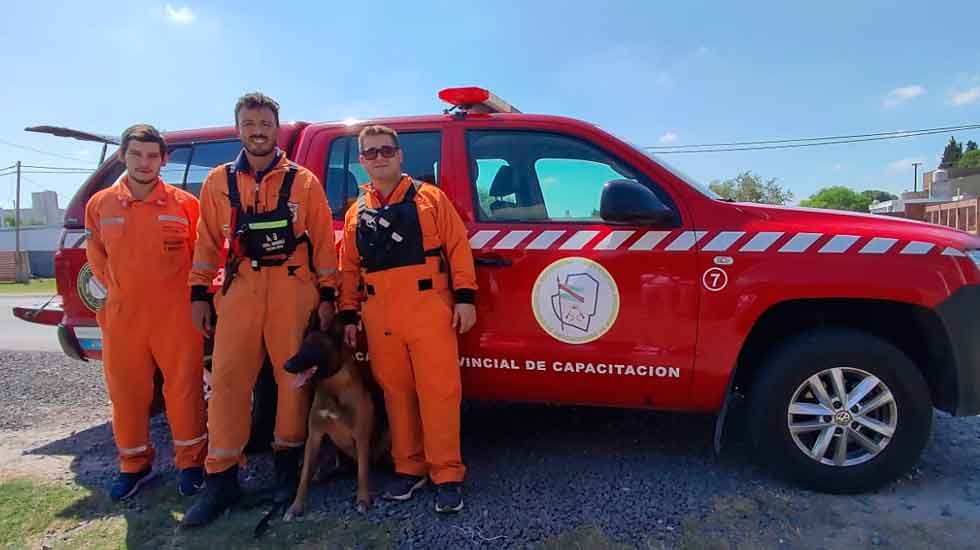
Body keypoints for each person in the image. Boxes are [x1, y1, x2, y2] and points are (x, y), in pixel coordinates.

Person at [182, 92, 338, 527]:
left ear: (277, 128)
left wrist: (328, 297)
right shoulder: (217, 182)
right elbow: (207, 243)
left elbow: (325, 244)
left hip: (293, 288)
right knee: (229, 381)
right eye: (249, 123)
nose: (258, 131)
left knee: (293, 380)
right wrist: (199, 293)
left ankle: (286, 471)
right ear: (238, 129)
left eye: (265, 123)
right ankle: (221, 480)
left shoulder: (304, 182)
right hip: (240, 288)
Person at [338, 125, 477, 513]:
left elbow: (458, 248)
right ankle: (409, 467)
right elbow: (349, 268)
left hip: (428, 306)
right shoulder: (355, 213)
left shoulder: (431, 198)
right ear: (362, 161)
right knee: (396, 393)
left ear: (400, 155)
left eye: (386, 150)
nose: (379, 157)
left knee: (439, 392)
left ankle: (447, 474)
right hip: (380, 312)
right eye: (371, 152)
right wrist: (348, 313)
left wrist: (465, 298)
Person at [84, 124, 207, 501]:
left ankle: (191, 464)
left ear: (163, 159)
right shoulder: (100, 204)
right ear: (123, 156)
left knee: (184, 391)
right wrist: (117, 296)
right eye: (136, 154)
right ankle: (133, 465)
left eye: (152, 155)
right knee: (127, 395)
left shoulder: (185, 204)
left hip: (176, 316)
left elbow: (201, 257)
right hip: (122, 318)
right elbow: (95, 256)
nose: (144, 162)